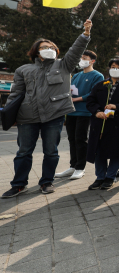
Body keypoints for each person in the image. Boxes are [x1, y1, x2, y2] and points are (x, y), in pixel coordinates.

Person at [1, 21, 92, 198]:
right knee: (23, 152)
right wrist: (9, 114)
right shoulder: (23, 70)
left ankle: (46, 182)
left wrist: (85, 34)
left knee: (51, 151)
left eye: (51, 46)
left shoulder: (64, 65)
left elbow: (76, 50)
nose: (48, 48)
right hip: (27, 117)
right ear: (36, 51)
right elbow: (16, 94)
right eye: (44, 46)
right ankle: (19, 184)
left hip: (54, 117)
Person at [85, 59, 119, 190]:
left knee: (116, 152)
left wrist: (117, 106)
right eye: (113, 66)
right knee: (99, 151)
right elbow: (90, 101)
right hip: (100, 124)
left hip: (118, 124)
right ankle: (100, 177)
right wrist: (97, 111)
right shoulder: (101, 85)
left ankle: (110, 177)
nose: (115, 69)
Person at [55, 50, 103, 181]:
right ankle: (73, 165)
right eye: (81, 58)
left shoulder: (98, 76)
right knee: (71, 139)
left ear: (92, 61)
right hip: (71, 111)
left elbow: (95, 94)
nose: (82, 60)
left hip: (85, 112)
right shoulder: (76, 75)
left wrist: (77, 99)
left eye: (85, 58)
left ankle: (80, 168)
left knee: (80, 139)